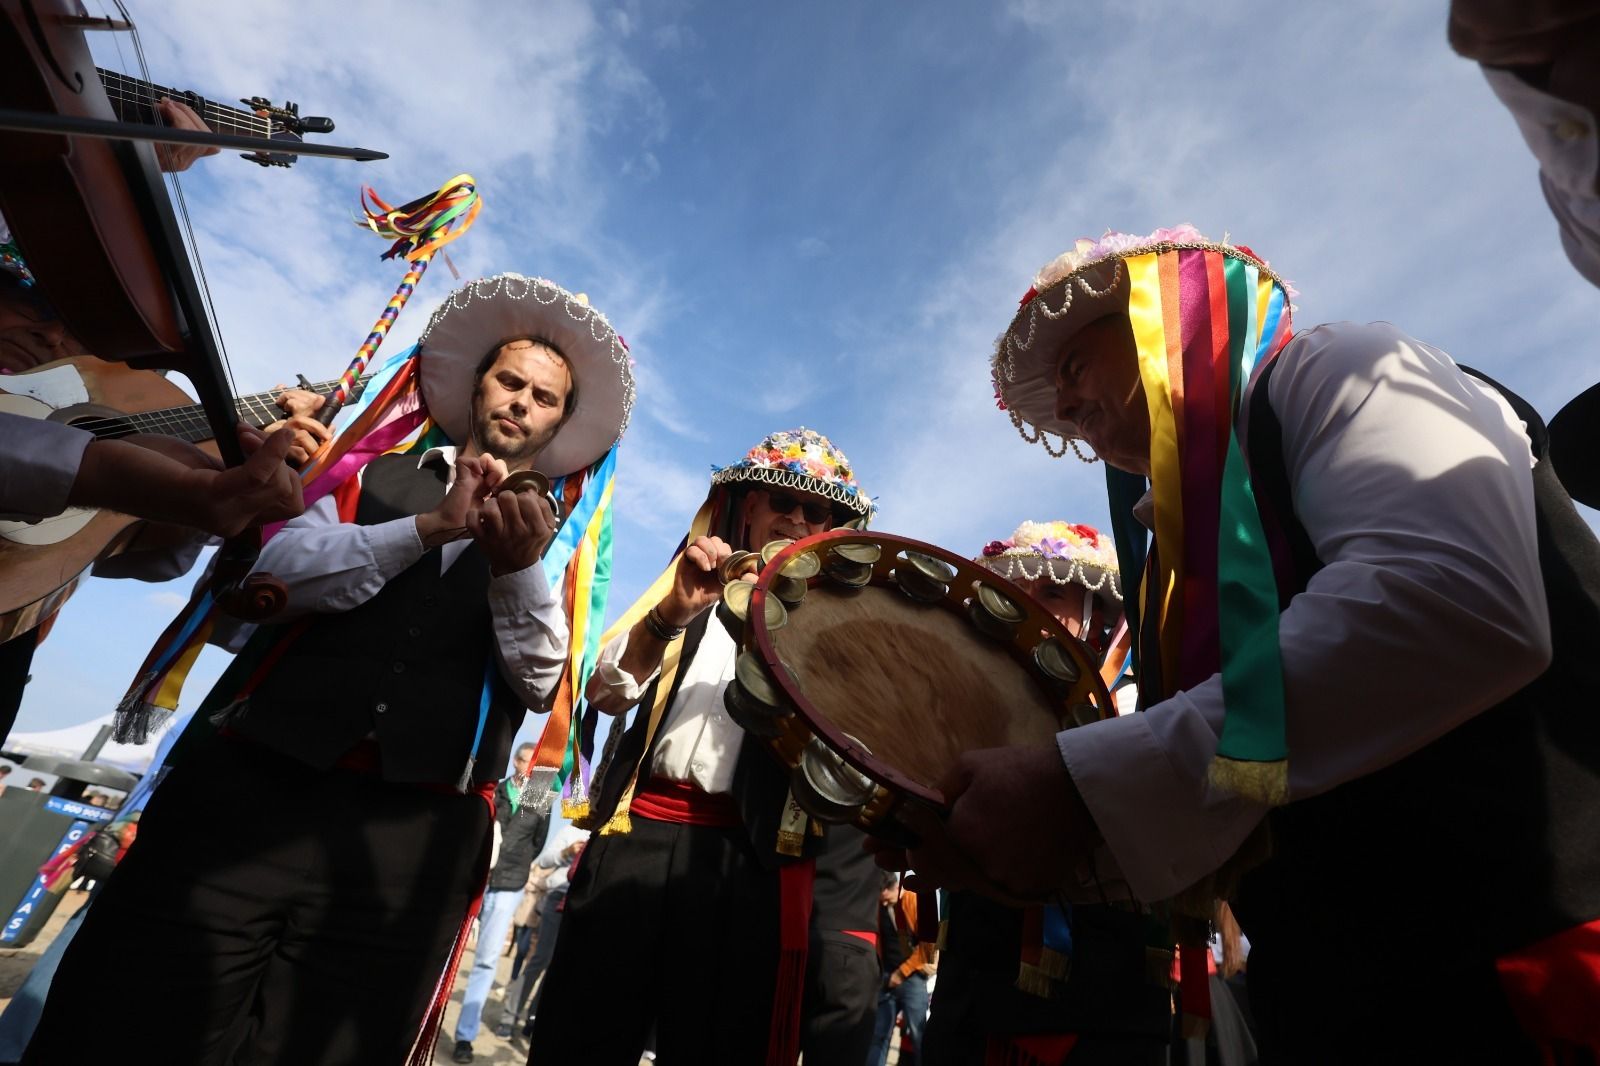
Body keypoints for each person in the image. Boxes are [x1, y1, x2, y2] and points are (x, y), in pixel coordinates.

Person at [880, 224, 1600, 1062]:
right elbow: (1234, 792)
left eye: (1074, 367)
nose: (1070, 414)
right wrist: (1037, 854)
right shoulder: (1177, 567)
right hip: (1347, 1000)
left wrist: (1080, 791)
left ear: (1168, 314)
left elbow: (1454, 597)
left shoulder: (1334, 370)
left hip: (1528, 970)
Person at [23, 273, 635, 1065]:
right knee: (131, 1018)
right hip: (254, 789)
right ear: (479, 386)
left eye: (543, 397)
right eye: (510, 380)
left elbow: (540, 682)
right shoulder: (371, 471)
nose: (521, 401)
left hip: (409, 846)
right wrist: (422, 527)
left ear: (559, 419)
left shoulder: (567, 540)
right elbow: (270, 575)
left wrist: (517, 569)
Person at [531, 427, 877, 1065]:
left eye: (817, 513)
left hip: (743, 868)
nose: (796, 518)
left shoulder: (838, 635)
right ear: (746, 506)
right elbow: (606, 696)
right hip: (633, 843)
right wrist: (672, 617)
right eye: (781, 501)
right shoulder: (683, 584)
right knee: (579, 1037)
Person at [920, 522, 1171, 1066]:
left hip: (1097, 998)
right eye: (1018, 591)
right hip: (969, 989)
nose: (1026, 603)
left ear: (1099, 619)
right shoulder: (965, 708)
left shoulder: (1142, 707)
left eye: (1053, 591)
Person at [451, 742, 552, 1064]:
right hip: (475, 877)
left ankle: (464, 1037)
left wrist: (515, 866)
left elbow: (538, 844)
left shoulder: (539, 794)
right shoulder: (495, 789)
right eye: (525, 761)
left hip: (510, 884)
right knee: (448, 947)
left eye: (534, 763)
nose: (529, 767)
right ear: (516, 761)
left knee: (486, 960)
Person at [868, 874, 933, 1066]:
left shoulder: (912, 899)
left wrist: (901, 972)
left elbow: (927, 947)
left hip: (912, 977)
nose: (881, 897)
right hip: (887, 975)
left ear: (891, 888)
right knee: (879, 1035)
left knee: (918, 1036)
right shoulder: (881, 906)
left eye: (882, 893)